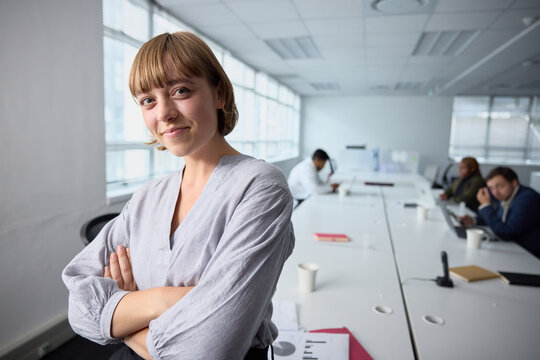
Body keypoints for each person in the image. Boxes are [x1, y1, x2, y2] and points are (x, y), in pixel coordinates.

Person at [62, 32, 295, 360]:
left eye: (180, 91)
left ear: (219, 93)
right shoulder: (148, 196)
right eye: (148, 100)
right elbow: (78, 306)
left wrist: (125, 316)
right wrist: (166, 300)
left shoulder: (260, 188)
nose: (164, 113)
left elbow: (208, 349)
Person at [461, 167, 540, 258]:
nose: (495, 192)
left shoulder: (527, 199)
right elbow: (499, 218)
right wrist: (473, 220)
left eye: (500, 186)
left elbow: (506, 232)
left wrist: (486, 205)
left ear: (514, 183)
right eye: (491, 188)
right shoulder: (507, 195)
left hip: (530, 257)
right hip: (515, 250)